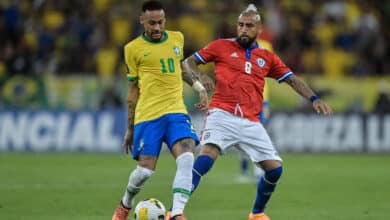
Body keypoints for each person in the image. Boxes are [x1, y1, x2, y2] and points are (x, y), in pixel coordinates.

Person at [169, 4, 333, 220]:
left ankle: (257, 214)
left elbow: (291, 79)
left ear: (258, 29)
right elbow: (188, 62)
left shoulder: (267, 57)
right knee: (206, 157)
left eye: (249, 25)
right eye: (240, 25)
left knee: (275, 170)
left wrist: (314, 98)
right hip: (222, 114)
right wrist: (200, 75)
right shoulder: (220, 46)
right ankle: (176, 211)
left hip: (251, 121)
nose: (244, 29)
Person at [111, 1, 208, 220]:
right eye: (152, 23)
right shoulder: (132, 49)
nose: (157, 28)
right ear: (142, 21)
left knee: (186, 158)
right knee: (144, 172)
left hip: (176, 111)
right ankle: (125, 204)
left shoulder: (177, 38)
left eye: (160, 22)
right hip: (148, 115)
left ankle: (177, 213)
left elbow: (180, 68)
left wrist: (199, 87)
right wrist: (129, 129)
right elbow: (132, 91)